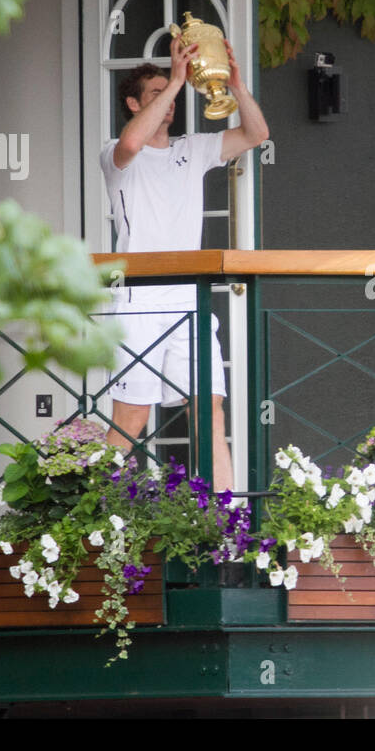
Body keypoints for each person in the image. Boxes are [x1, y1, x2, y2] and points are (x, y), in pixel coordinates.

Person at [101, 33, 269, 494]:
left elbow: (257, 134)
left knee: (208, 409)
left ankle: (228, 522)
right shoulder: (115, 153)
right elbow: (132, 144)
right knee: (131, 418)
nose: (169, 101)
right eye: (155, 94)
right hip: (136, 302)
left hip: (188, 300)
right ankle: (95, 518)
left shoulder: (191, 148)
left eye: (170, 93)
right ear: (134, 103)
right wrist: (177, 80)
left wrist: (235, 84)